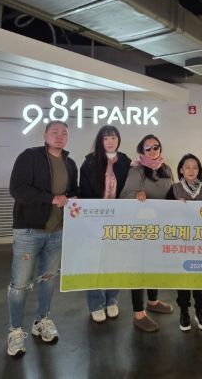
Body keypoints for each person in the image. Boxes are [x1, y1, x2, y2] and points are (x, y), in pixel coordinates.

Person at [6, 121, 79, 357]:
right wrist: (51, 198)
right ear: (45, 135)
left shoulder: (70, 163)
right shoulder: (30, 157)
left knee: (48, 279)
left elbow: (72, 192)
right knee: (20, 284)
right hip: (28, 230)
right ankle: (15, 330)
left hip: (57, 231)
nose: (60, 136)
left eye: (64, 133)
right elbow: (17, 189)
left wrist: (73, 199)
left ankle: (42, 321)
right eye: (55, 132)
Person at [121, 134, 175, 332]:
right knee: (139, 267)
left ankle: (153, 301)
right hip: (140, 226)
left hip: (160, 226)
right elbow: (125, 194)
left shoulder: (167, 169)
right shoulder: (137, 170)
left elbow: (172, 194)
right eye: (148, 148)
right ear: (141, 151)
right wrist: (136, 194)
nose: (153, 151)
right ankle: (139, 314)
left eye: (156, 147)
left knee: (154, 265)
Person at [79, 125, 131, 323]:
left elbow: (130, 188)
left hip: (119, 219)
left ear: (119, 140)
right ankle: (96, 303)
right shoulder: (90, 162)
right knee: (94, 262)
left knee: (115, 260)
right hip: (95, 219)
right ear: (100, 140)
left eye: (114, 137)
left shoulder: (125, 161)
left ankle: (112, 300)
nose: (110, 141)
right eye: (106, 138)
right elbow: (84, 192)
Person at [166, 154, 202, 332]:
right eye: (187, 167)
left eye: (195, 167)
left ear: (199, 170)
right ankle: (184, 311)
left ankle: (200, 310)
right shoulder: (174, 189)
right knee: (183, 276)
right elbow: (165, 213)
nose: (191, 170)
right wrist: (175, 206)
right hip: (181, 241)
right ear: (181, 170)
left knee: (200, 276)